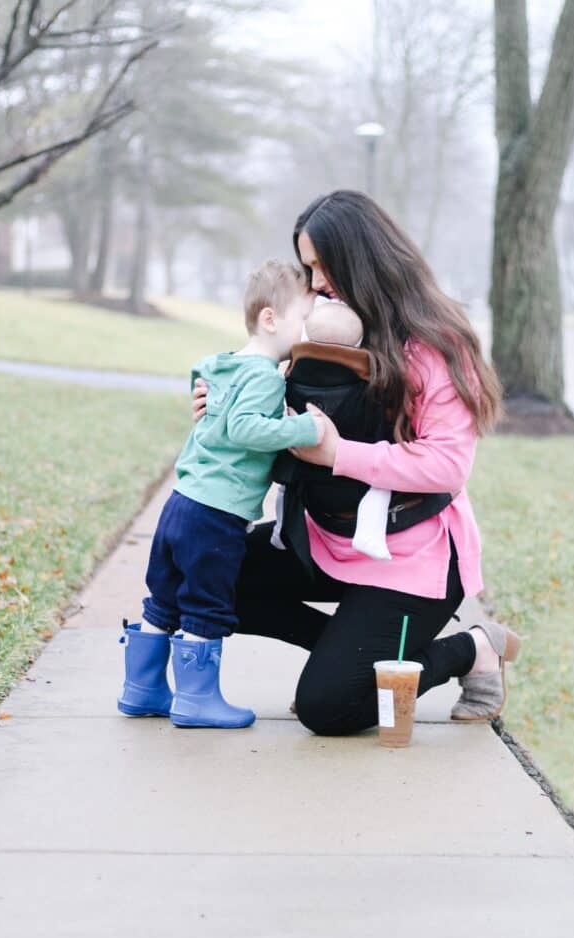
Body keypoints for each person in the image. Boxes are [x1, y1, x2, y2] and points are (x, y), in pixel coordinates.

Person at [192, 191, 522, 736]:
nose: (316, 281)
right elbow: (270, 414)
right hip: (323, 538)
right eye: (308, 266)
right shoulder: (319, 335)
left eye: (324, 265)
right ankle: (351, 664)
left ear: (361, 260)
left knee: (330, 709)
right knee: (204, 575)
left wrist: (337, 454)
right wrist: (222, 409)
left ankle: (470, 650)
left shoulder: (435, 344)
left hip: (412, 558)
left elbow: (445, 466)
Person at [117, 259, 323, 729]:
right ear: (270, 319)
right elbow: (245, 427)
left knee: (163, 599)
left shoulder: (223, 365)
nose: (307, 332)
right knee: (206, 604)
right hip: (215, 516)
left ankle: (141, 689)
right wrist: (305, 426)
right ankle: (196, 701)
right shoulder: (266, 376)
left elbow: (201, 382)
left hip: (180, 503)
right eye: (302, 321)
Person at [270, 295, 398, 561]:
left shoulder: (293, 370)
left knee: (286, 485)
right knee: (384, 482)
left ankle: (280, 528)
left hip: (300, 460)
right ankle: (370, 531)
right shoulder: (367, 374)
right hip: (357, 465)